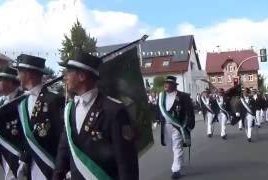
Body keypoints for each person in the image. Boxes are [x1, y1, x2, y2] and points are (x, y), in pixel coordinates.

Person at [52, 51, 139, 180]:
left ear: (81, 76)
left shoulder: (114, 110)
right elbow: (64, 148)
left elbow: (126, 161)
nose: (65, 77)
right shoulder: (70, 109)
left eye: (69, 72)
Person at [15, 54, 64, 180]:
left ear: (28, 74)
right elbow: (27, 135)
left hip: (51, 165)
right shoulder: (23, 103)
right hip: (32, 165)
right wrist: (23, 159)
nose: (17, 77)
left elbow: (62, 138)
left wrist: (63, 168)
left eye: (19, 72)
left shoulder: (54, 99)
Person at [158, 76, 195, 179]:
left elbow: (189, 112)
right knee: (171, 148)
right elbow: (160, 111)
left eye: (168, 83)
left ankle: (176, 170)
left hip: (178, 126)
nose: (165, 85)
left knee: (177, 147)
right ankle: (179, 163)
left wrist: (188, 125)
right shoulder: (161, 96)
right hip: (165, 126)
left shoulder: (183, 96)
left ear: (174, 85)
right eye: (165, 83)